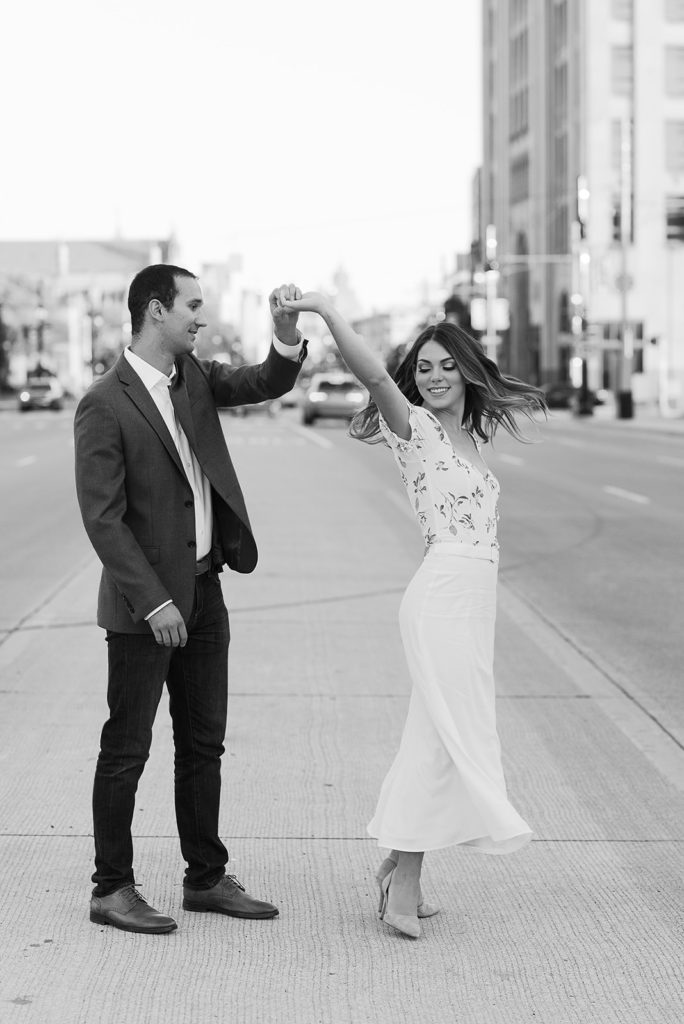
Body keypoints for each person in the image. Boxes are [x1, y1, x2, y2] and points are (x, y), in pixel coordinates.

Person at [277, 290, 545, 940]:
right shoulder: (415, 427)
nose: (433, 376)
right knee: (440, 740)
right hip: (442, 596)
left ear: (467, 370)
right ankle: (404, 882)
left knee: (445, 736)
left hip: (473, 601)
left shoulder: (469, 436)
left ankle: (400, 865)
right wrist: (326, 312)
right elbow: (374, 376)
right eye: (423, 367)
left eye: (446, 365)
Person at [74, 266, 306, 934]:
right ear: (156, 310)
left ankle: (205, 878)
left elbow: (266, 381)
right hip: (145, 610)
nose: (200, 318)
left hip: (206, 591)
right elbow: (103, 519)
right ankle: (111, 888)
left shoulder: (194, 377)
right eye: (192, 306)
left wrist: (285, 332)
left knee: (204, 746)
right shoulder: (104, 402)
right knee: (127, 749)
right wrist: (154, 603)